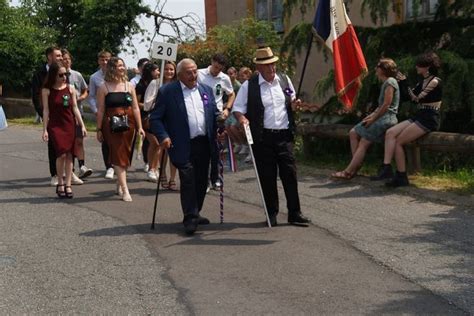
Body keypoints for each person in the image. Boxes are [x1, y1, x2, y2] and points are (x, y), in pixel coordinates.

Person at [232, 47, 311, 227]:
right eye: (267, 65)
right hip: (263, 137)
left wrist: (295, 104)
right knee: (267, 177)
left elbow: (291, 101)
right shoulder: (249, 85)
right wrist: (242, 118)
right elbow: (237, 108)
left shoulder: (284, 80)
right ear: (259, 68)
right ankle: (271, 213)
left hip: (284, 135)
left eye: (273, 64)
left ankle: (294, 213)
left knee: (290, 174)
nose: (272, 68)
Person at [150, 58, 220, 235]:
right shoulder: (167, 92)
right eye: (189, 72)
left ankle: (196, 211)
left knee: (202, 180)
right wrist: (163, 136)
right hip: (181, 143)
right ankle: (190, 217)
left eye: (195, 71)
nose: (193, 75)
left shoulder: (206, 90)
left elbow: (213, 113)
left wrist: (221, 124)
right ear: (179, 75)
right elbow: (155, 118)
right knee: (188, 179)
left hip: (204, 143)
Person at [372, 52, 443, 187]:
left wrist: (404, 82)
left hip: (429, 118)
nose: (416, 67)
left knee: (399, 142)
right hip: (420, 115)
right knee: (391, 133)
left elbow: (417, 98)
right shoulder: (422, 81)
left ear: (427, 67)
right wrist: (400, 84)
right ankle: (386, 167)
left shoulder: (435, 81)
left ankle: (401, 176)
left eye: (419, 65)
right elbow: (409, 97)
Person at [331, 58, 400, 180]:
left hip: (387, 118)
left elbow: (386, 105)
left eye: (378, 67)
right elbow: (380, 106)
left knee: (364, 142)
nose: (375, 69)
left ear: (383, 70)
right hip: (380, 116)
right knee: (353, 132)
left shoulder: (390, 82)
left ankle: (348, 172)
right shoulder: (386, 82)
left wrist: (373, 119)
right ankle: (356, 165)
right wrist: (369, 117)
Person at [96, 57, 145, 202]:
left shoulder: (129, 86)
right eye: (119, 66)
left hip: (129, 124)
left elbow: (135, 107)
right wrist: (98, 129)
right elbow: (100, 110)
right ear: (112, 68)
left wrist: (140, 126)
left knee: (126, 155)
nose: (122, 68)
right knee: (118, 155)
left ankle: (119, 181)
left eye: (123, 65)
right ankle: (125, 189)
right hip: (111, 124)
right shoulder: (104, 87)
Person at [41, 62, 87, 198]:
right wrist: (44, 130)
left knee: (69, 155)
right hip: (55, 126)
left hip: (69, 125)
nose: (64, 77)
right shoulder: (46, 90)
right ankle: (60, 181)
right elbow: (46, 110)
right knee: (60, 154)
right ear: (54, 75)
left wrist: (82, 125)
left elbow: (75, 108)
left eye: (66, 74)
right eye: (61, 75)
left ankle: (68, 185)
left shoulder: (71, 88)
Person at [198, 53, 235, 190]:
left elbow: (231, 94)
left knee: (215, 149)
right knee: (203, 148)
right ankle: (204, 179)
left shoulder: (224, 78)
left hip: (217, 114)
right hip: (201, 112)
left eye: (219, 68)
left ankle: (215, 178)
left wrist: (227, 109)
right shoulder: (199, 73)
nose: (216, 70)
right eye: (215, 67)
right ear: (211, 61)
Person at [144, 60, 178, 190]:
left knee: (173, 150)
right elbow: (147, 104)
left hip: (174, 119)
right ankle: (162, 172)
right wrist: (160, 96)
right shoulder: (155, 83)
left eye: (172, 69)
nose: (169, 72)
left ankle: (173, 178)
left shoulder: (177, 84)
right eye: (167, 69)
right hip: (159, 119)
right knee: (163, 148)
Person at [31, 46, 63, 186]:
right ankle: (54, 174)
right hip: (50, 114)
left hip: (64, 113)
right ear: (49, 57)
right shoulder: (39, 74)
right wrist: (42, 113)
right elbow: (36, 96)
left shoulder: (64, 72)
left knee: (68, 144)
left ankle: (69, 172)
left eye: (61, 55)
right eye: (58, 55)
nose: (61, 58)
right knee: (53, 145)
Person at [62, 49, 93, 180]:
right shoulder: (57, 76)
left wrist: (82, 97)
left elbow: (86, 90)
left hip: (77, 112)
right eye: (64, 59)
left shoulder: (77, 75)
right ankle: (70, 169)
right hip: (64, 114)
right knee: (68, 143)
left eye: (68, 59)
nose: (66, 61)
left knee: (79, 141)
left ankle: (82, 166)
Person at [88, 50, 114, 179]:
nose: (105, 62)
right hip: (102, 113)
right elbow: (91, 96)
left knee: (118, 139)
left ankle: (117, 164)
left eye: (107, 59)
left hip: (116, 111)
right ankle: (109, 166)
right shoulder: (94, 77)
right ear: (98, 61)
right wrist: (95, 110)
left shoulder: (117, 75)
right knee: (105, 140)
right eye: (102, 59)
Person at [136, 62, 161, 182]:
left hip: (157, 116)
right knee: (155, 143)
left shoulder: (159, 84)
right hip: (145, 117)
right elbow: (137, 103)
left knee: (158, 144)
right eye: (156, 70)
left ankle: (154, 167)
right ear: (150, 71)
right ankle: (151, 167)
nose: (159, 73)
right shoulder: (141, 85)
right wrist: (149, 104)